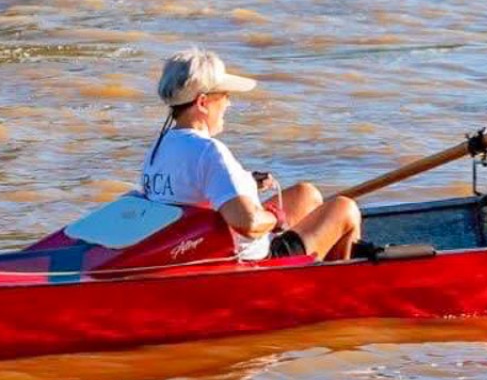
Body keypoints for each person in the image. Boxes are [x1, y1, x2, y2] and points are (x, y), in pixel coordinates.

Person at [140, 48, 362, 261]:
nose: (229, 103)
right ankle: (336, 288)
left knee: (307, 194)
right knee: (345, 208)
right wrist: (276, 218)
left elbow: (190, 191)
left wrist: (247, 182)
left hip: (202, 245)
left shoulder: (160, 146)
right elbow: (249, 224)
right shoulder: (209, 152)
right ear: (203, 102)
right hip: (250, 260)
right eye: (225, 95)